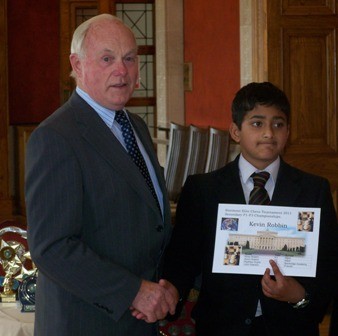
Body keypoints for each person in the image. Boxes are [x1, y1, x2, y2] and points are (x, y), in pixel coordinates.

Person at [25, 14, 178, 336]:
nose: (121, 71)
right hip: (87, 322)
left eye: (129, 59)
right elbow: (52, 247)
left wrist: (167, 285)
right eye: (106, 59)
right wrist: (134, 291)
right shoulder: (56, 137)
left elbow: (150, 221)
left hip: (139, 322)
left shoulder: (134, 126)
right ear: (77, 65)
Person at [162, 82, 338, 336]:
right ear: (235, 131)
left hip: (291, 327)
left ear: (288, 131)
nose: (269, 133)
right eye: (257, 123)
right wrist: (170, 294)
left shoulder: (314, 191)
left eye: (278, 124)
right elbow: (183, 260)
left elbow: (329, 265)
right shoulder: (203, 190)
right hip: (221, 327)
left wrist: (298, 295)